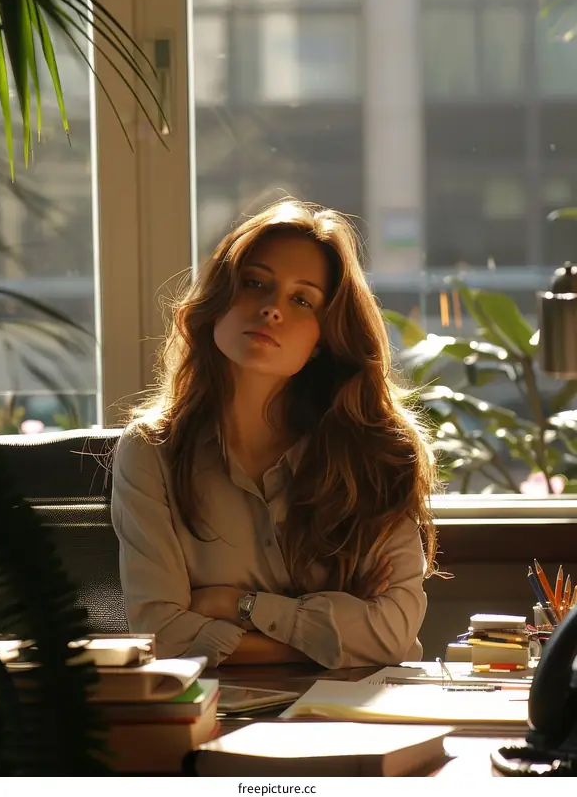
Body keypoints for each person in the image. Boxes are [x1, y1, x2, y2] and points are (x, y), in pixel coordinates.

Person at [111, 200, 438, 668]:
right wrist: (331, 639)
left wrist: (233, 605)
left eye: (301, 299)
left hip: (354, 721)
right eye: (256, 284)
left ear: (323, 336)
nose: (272, 310)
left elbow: (390, 633)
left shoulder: (377, 451)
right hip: (215, 717)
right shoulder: (151, 452)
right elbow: (163, 635)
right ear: (219, 298)